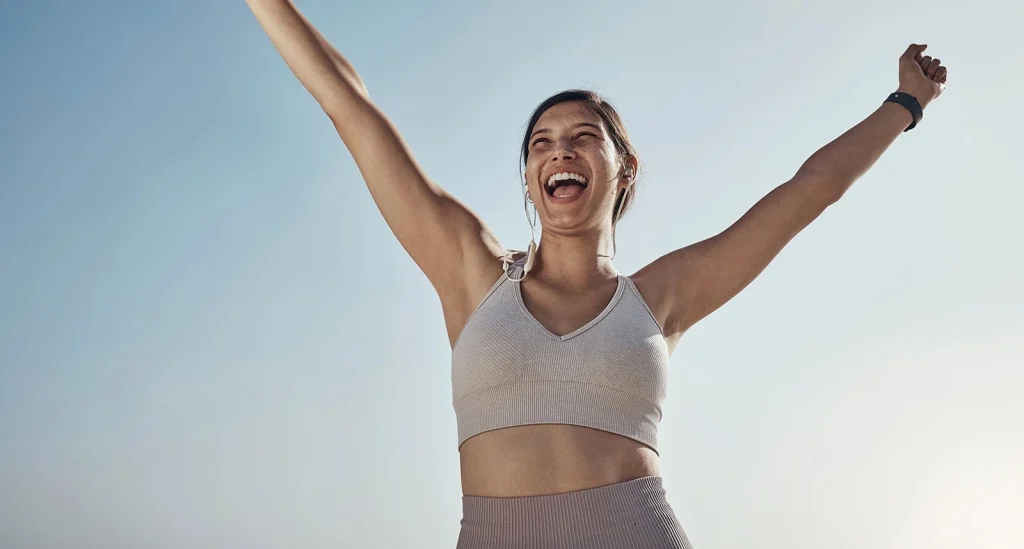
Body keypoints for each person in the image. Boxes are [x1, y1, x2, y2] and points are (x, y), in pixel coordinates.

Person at [244, 2, 948, 547]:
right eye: (542, 143)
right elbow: (348, 105)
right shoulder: (469, 270)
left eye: (584, 136)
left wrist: (904, 105)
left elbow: (808, 191)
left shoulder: (661, 296)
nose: (561, 150)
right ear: (529, 177)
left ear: (622, 167)